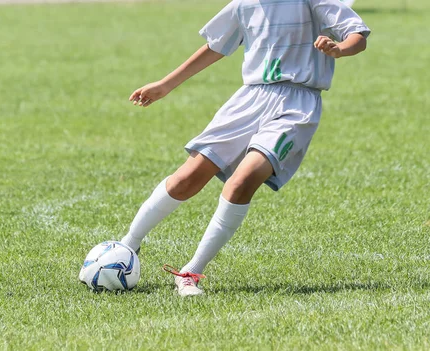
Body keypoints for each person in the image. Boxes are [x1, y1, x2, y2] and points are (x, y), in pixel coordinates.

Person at [120, 0, 370, 297]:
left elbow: (358, 35)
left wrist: (339, 48)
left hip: (297, 104)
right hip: (248, 100)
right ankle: (127, 246)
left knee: (242, 181)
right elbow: (216, 45)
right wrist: (165, 84)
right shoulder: (244, 4)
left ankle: (190, 273)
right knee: (188, 177)